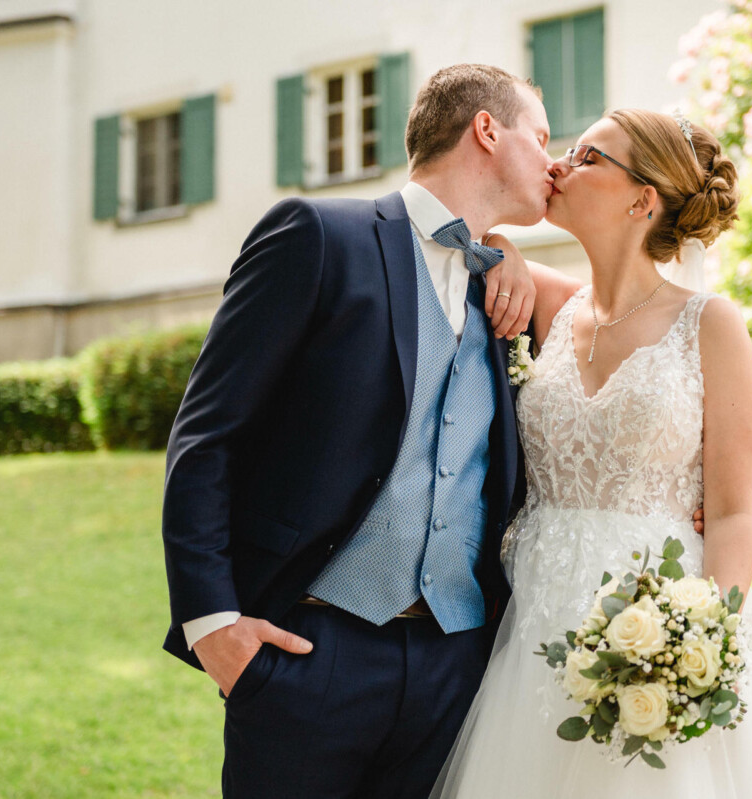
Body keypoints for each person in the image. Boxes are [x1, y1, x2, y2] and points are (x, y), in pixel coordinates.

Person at [160, 63, 554, 799]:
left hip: (455, 658)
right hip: (311, 651)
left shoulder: (502, 285)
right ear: (487, 130)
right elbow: (207, 437)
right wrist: (212, 623)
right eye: (540, 137)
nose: (553, 161)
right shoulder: (318, 236)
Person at [432, 109, 752, 797]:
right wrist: (504, 245)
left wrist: (700, 639)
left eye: (588, 156)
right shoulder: (546, 307)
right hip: (534, 632)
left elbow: (737, 512)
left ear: (641, 199)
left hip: (661, 625)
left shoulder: (712, 324)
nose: (560, 165)